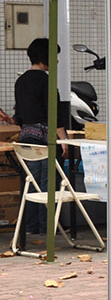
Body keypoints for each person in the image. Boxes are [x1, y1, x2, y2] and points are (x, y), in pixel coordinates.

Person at [13, 38, 68, 238]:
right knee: (47, 184)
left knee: (30, 182)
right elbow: (53, 113)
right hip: (45, 137)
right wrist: (62, 139)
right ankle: (47, 226)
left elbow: (19, 114)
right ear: (46, 57)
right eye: (55, 57)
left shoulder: (21, 81)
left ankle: (30, 225)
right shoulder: (46, 81)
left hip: (26, 136)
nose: (58, 62)